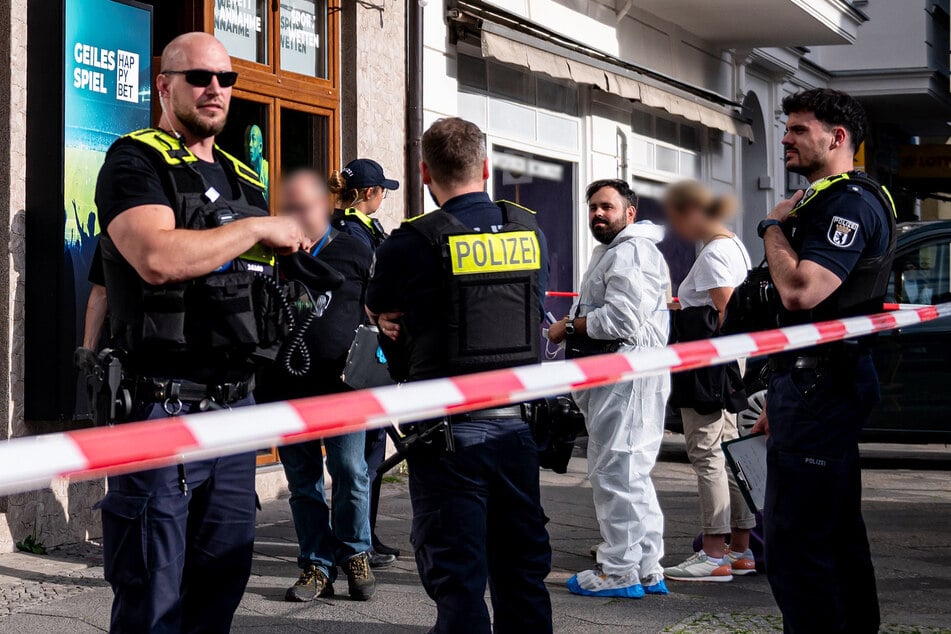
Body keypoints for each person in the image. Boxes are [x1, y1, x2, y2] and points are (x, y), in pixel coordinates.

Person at [93, 32, 309, 632]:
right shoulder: (135, 161)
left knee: (221, 580)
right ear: (164, 85)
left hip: (235, 409)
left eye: (226, 78)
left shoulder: (243, 178)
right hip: (163, 406)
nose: (215, 89)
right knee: (151, 591)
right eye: (199, 77)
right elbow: (154, 258)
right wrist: (258, 228)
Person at [366, 117, 553, 634]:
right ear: (486, 167)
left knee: (459, 582)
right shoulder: (528, 229)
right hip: (518, 430)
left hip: (447, 437)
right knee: (523, 577)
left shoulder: (411, 242)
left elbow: (380, 306)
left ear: (425, 173)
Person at [752, 88, 895, 633]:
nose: (785, 137)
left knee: (797, 546)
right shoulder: (836, 197)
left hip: (822, 386)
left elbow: (801, 291)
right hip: (811, 384)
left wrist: (771, 226)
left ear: (837, 138)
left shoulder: (849, 202)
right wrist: (783, 393)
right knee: (835, 532)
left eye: (798, 128)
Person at [255, 170, 378, 603]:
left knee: (350, 471)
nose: (296, 216)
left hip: (343, 388)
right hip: (287, 386)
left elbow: (376, 306)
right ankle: (315, 564)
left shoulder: (354, 248)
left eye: (303, 207)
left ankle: (355, 552)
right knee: (303, 482)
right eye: (288, 208)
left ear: (326, 206)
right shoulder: (272, 253)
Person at [548, 179, 671, 599]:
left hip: (625, 379)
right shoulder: (620, 251)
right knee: (633, 476)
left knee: (616, 475)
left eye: (607, 207)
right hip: (626, 378)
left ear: (630, 213)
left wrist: (568, 327)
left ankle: (619, 571)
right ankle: (648, 566)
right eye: (593, 207)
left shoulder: (631, 252)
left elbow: (621, 321)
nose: (598, 214)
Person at [660, 181, 757, 583]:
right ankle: (740, 549)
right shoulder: (733, 245)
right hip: (725, 365)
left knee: (707, 455)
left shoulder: (716, 254)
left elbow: (725, 311)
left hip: (708, 366)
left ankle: (714, 552)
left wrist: (685, 315)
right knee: (728, 453)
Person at [329, 157, 401, 568]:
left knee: (361, 454)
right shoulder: (361, 235)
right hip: (364, 355)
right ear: (370, 194)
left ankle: (361, 535)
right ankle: (359, 540)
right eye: (382, 191)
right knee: (365, 454)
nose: (383, 198)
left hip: (353, 353)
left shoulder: (338, 228)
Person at [329, 158, 397, 251]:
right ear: (369, 192)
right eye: (383, 191)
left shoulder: (332, 221)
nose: (382, 197)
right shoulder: (354, 233)